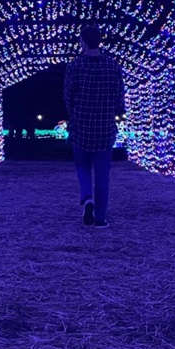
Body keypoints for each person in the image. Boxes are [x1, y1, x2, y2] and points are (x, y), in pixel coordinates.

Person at [63, 25, 125, 228]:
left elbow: (68, 96)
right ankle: (100, 219)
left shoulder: (75, 65)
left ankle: (87, 197)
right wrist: (110, 111)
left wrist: (74, 113)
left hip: (81, 126)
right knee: (102, 174)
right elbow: (119, 98)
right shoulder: (112, 66)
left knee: (81, 165)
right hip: (105, 128)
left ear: (83, 41)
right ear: (100, 40)